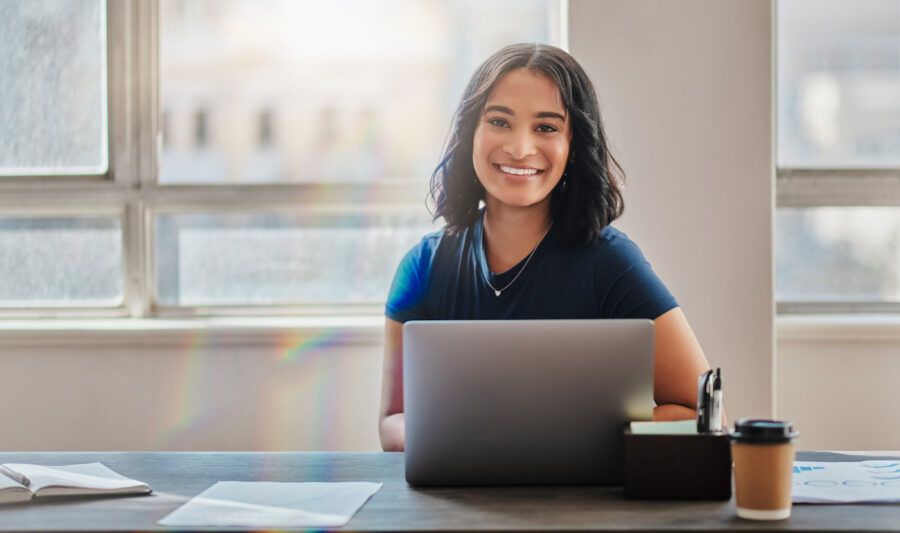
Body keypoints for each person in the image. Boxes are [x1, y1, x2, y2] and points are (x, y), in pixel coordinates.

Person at [379, 43, 711, 452]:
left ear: (574, 144)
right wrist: (458, 440)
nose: (520, 148)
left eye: (547, 127)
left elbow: (705, 417)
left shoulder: (610, 263)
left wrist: (573, 435)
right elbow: (393, 420)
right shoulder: (421, 268)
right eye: (499, 121)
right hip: (456, 504)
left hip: (582, 508)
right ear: (470, 133)